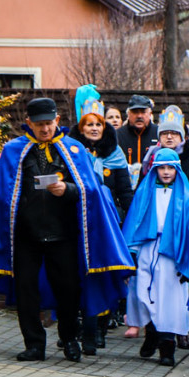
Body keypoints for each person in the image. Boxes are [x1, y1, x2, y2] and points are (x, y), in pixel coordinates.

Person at [0, 97, 133, 362]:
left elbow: (91, 190)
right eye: (39, 124)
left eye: (49, 123)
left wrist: (68, 190)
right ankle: (34, 345)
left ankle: (70, 340)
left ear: (58, 121)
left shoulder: (74, 149)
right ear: (28, 123)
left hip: (62, 235)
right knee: (26, 291)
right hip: (25, 236)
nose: (45, 129)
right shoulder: (14, 150)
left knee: (68, 291)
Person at [68, 90, 135, 354]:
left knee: (104, 275)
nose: (94, 128)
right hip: (76, 223)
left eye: (98, 124)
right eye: (89, 124)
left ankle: (97, 331)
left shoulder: (115, 153)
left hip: (106, 225)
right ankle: (74, 329)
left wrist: (126, 218)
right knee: (76, 278)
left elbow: (124, 190)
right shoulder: (69, 150)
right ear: (81, 127)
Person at [122, 148, 189, 364]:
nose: (165, 172)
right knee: (142, 292)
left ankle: (167, 346)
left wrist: (188, 264)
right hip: (147, 248)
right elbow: (134, 223)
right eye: (161, 167)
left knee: (171, 300)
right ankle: (151, 334)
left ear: (177, 170)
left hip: (173, 253)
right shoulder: (144, 193)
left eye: (170, 168)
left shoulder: (187, 196)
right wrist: (132, 254)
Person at [116, 94, 158, 169]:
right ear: (128, 114)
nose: (139, 116)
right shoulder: (118, 135)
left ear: (150, 114)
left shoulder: (158, 134)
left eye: (143, 112)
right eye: (135, 112)